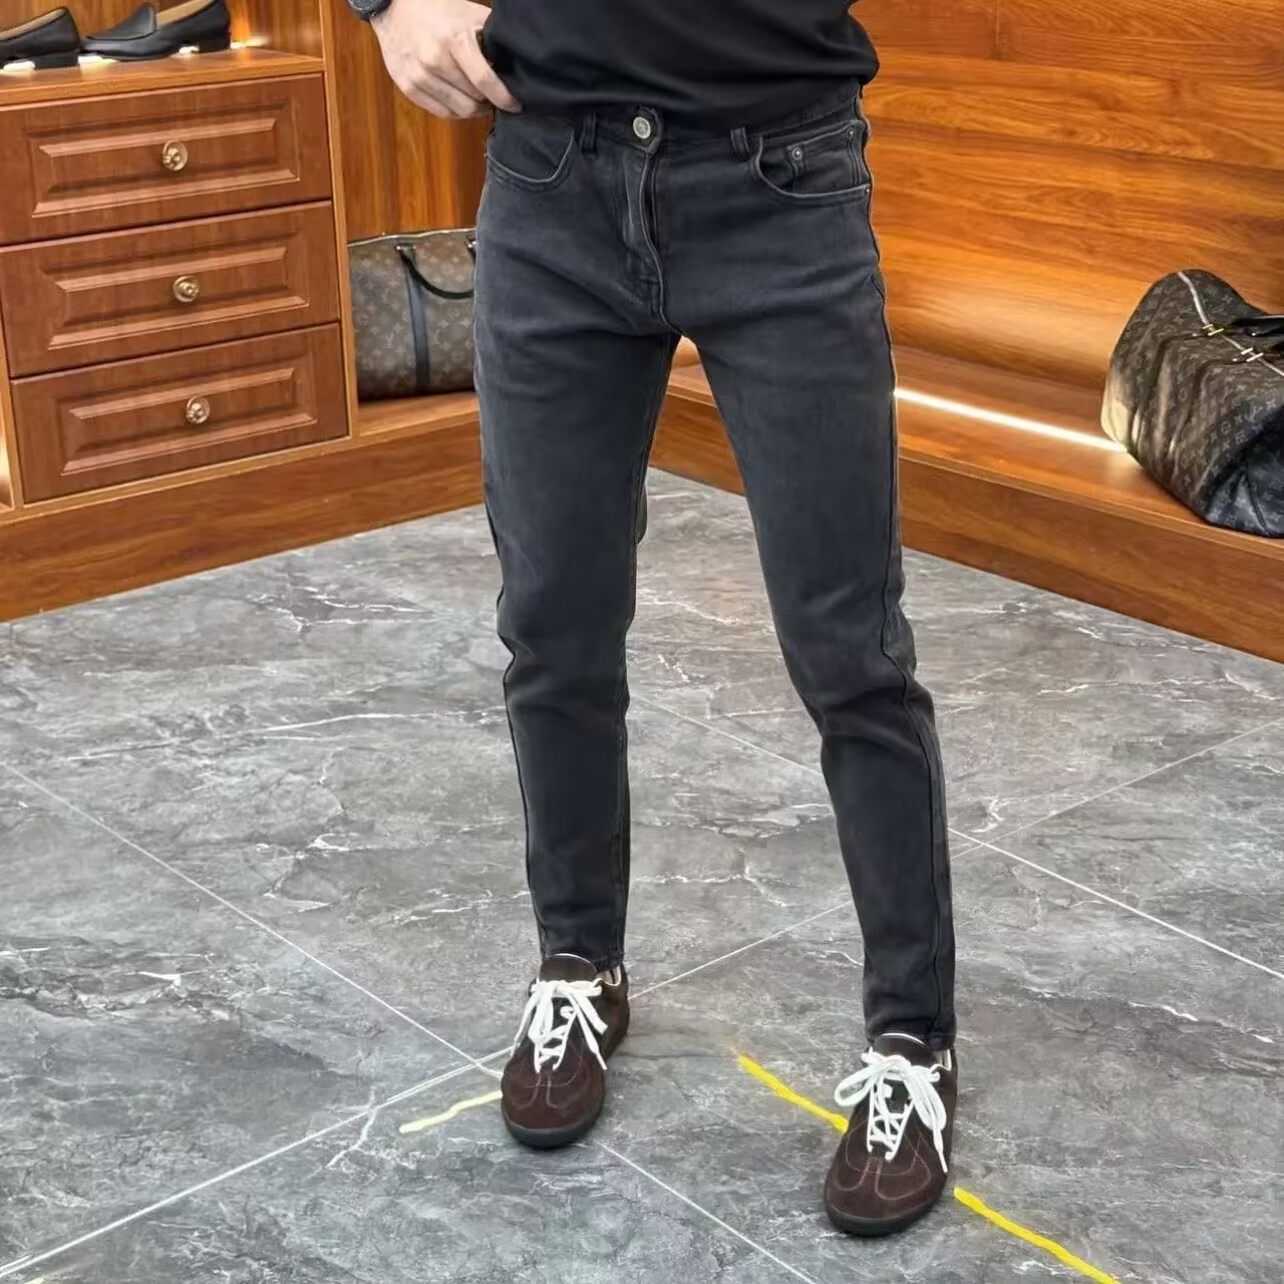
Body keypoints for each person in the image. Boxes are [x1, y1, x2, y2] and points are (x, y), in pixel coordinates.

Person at [350, 0, 958, 1237]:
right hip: (551, 172)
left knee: (851, 654)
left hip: (779, 174)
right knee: (553, 626)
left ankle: (914, 1043)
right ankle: (579, 967)